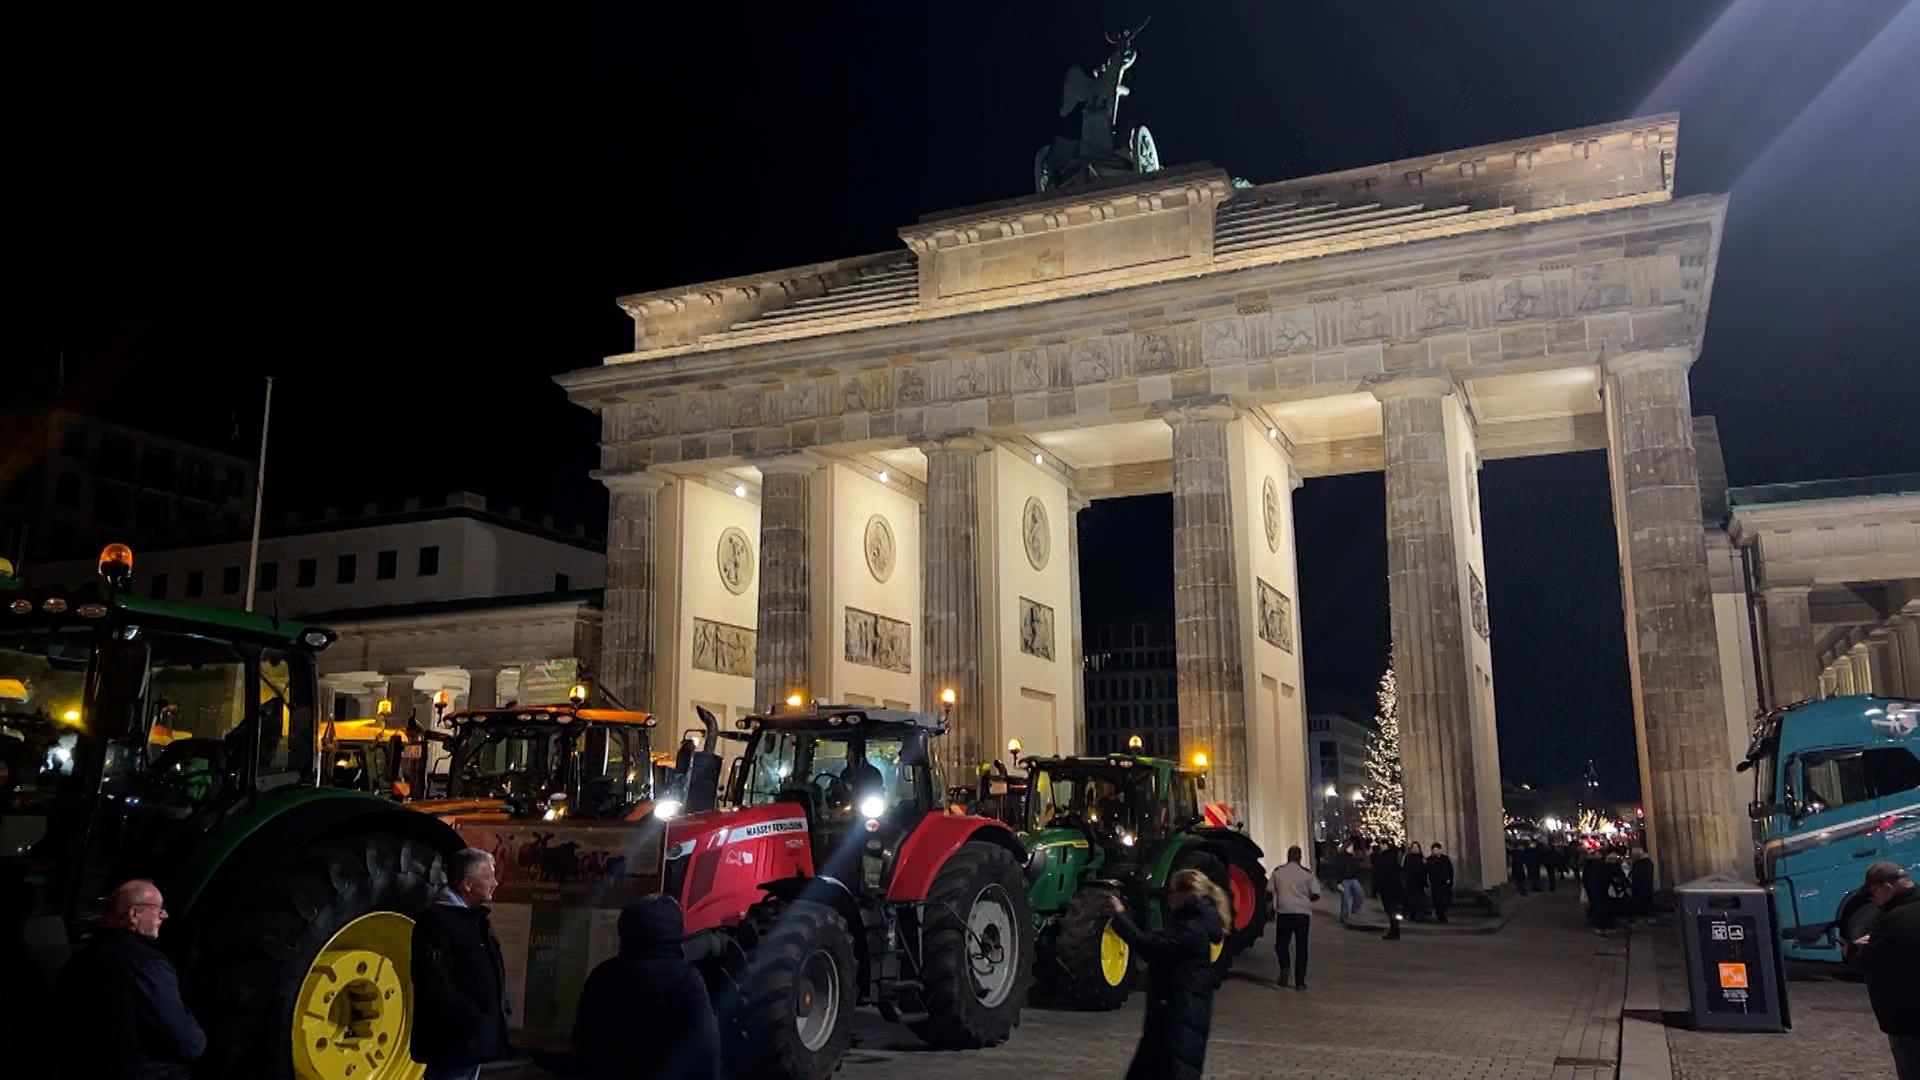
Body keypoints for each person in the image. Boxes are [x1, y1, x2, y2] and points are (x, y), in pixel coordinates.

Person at [52, 879, 205, 1079]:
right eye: (159, 910)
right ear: (135, 914)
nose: (165, 916)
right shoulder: (148, 965)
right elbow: (187, 1043)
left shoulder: (79, 960)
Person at [574, 896, 721, 1080]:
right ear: (675, 932)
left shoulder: (603, 975)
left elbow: (583, 1042)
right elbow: (706, 1048)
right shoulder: (685, 979)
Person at [1107, 869, 1228, 1080]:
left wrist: (1120, 916)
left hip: (1178, 1021)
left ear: (1188, 894)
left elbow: (1150, 947)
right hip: (1172, 1017)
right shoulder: (1193, 923)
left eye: (1172, 891)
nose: (1169, 896)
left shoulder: (1191, 929)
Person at [411, 848, 511, 1080]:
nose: (495, 883)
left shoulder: (475, 919)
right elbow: (433, 980)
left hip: (473, 1038)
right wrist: (473, 1015)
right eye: (488, 877)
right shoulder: (437, 922)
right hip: (454, 1040)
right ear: (467, 884)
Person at [1854, 862, 1920, 1078]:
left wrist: (1857, 949)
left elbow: (1872, 961)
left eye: (1875, 894)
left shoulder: (1894, 919)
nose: (1875, 901)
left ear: (1886, 887)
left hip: (1908, 1020)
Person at [1268, 845, 1319, 989]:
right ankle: (1300, 982)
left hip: (1284, 912)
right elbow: (1315, 894)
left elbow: (1268, 892)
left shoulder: (1278, 872)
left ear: (1288, 856)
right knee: (1302, 947)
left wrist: (1271, 908)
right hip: (1302, 914)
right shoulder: (1307, 874)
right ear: (1300, 857)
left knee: (1281, 945)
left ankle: (1284, 966)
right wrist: (1306, 898)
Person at [1370, 840, 1406, 940]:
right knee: (1394, 909)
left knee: (1390, 910)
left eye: (1382, 845)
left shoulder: (1381, 858)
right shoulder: (1393, 857)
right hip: (1395, 887)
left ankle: (1394, 929)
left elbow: (1377, 874)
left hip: (1386, 888)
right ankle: (1395, 929)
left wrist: (1375, 890)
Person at [1427, 842, 1455, 925]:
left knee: (1446, 899)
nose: (1436, 851)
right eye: (1434, 850)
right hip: (1436, 883)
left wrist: (1450, 879)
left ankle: (1442, 913)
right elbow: (1428, 871)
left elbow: (1450, 870)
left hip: (1445, 883)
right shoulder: (1430, 860)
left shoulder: (1445, 859)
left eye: (1437, 849)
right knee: (1437, 901)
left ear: (1440, 850)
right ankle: (1441, 916)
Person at [1401, 841, 1430, 921]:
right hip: (1410, 882)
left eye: (1417, 847)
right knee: (1411, 899)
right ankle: (1412, 914)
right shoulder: (1408, 857)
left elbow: (1425, 869)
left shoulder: (1422, 857)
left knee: (1420, 899)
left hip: (1420, 882)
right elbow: (1405, 869)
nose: (1415, 849)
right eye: (1414, 847)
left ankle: (1420, 914)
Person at [1628, 847, 1655, 921]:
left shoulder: (1643, 863)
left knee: (1645, 902)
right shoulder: (1644, 862)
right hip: (1643, 887)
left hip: (1642, 887)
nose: (1632, 856)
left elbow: (1640, 875)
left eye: (1633, 854)